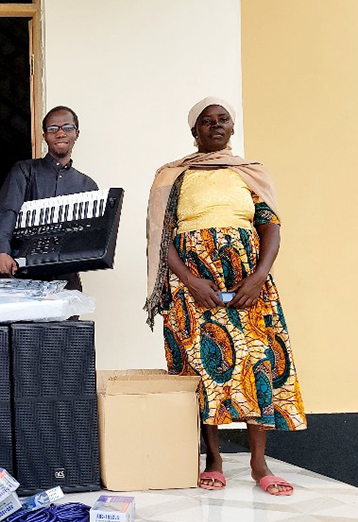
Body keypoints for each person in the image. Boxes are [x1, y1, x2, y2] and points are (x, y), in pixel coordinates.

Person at [144, 97, 306, 496]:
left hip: (248, 282)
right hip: (191, 287)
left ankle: (258, 462)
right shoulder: (173, 176)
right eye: (206, 121)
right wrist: (190, 281)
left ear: (232, 127)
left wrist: (260, 276)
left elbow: (270, 226)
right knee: (199, 368)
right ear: (194, 130)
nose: (215, 125)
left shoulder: (250, 174)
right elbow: (160, 237)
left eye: (223, 119)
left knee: (255, 362)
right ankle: (212, 458)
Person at [0, 106, 98, 290]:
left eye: (67, 127)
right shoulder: (24, 171)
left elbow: (90, 235)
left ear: (77, 133)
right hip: (23, 272)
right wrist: (1, 251)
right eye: (53, 128)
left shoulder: (87, 185)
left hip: (67, 278)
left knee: (69, 319)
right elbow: (7, 211)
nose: (61, 133)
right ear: (45, 136)